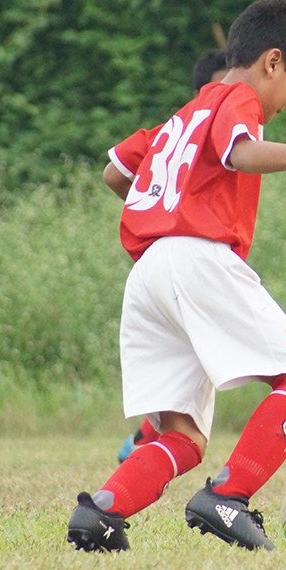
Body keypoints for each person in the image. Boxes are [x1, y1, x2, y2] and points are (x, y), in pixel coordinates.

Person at [66, 0, 286, 552]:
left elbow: (115, 172)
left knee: (181, 436)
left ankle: (102, 512)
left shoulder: (182, 116)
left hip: (150, 271)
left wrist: (163, 210)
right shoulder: (239, 98)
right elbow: (242, 154)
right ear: (273, 61)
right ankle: (229, 497)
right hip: (196, 259)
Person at [115, 47, 231, 464]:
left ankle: (143, 441)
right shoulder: (192, 131)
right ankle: (145, 443)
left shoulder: (176, 131)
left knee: (194, 364)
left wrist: (154, 211)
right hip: (188, 264)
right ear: (202, 92)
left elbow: (114, 171)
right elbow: (114, 172)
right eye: (222, 86)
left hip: (171, 265)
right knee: (208, 360)